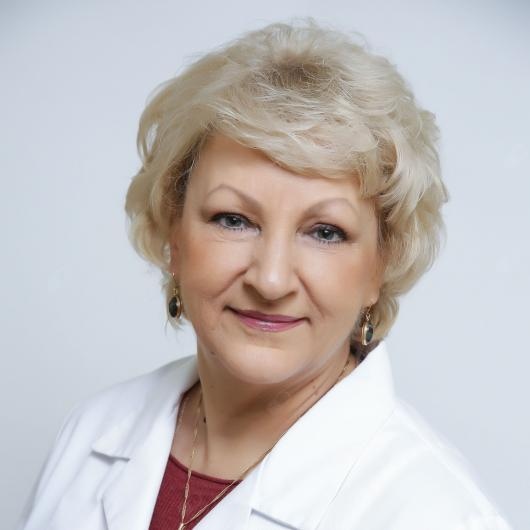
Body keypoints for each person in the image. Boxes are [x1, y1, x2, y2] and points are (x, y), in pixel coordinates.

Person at [17, 18, 512, 530]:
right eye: (233, 220)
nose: (271, 280)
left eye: (325, 232)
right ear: (173, 236)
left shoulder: (437, 514)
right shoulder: (89, 435)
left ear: (380, 267)